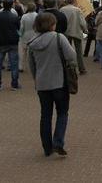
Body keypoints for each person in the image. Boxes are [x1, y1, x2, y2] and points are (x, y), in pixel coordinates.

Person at [28, 12, 77, 157]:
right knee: (62, 113)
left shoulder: (32, 42)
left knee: (45, 115)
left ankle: (47, 147)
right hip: (59, 82)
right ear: (52, 24)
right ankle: (58, 142)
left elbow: (31, 65)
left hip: (42, 83)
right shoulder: (58, 37)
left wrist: (37, 78)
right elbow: (71, 56)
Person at [0, 0, 21, 90]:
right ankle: (14, 84)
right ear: (11, 5)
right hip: (12, 42)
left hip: (0, 42)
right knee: (14, 64)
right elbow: (18, 28)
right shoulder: (15, 17)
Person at [60, 0, 88, 74]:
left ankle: (68, 68)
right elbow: (82, 22)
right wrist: (85, 29)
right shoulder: (77, 10)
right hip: (76, 32)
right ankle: (81, 68)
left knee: (66, 51)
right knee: (79, 51)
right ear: (73, 2)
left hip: (66, 32)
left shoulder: (62, 9)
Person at [19, 3, 37, 72]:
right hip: (35, 35)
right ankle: (35, 66)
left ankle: (21, 66)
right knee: (35, 52)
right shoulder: (37, 15)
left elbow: (22, 27)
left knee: (23, 51)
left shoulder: (24, 16)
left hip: (25, 35)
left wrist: (20, 34)